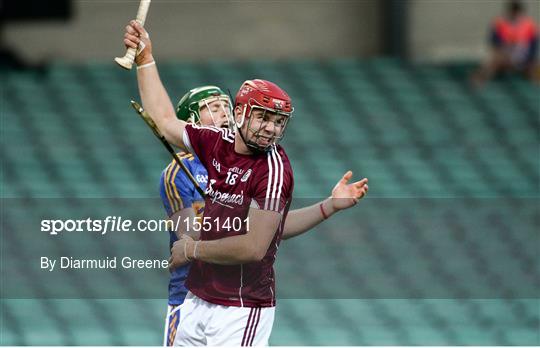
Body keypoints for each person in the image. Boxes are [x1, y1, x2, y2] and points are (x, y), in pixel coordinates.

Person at [123, 20, 369, 345]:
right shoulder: (214, 142)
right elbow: (166, 120)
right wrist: (146, 59)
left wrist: (193, 248)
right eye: (263, 117)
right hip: (196, 297)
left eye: (279, 122)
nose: (271, 129)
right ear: (240, 114)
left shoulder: (274, 170)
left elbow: (254, 247)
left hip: (241, 307)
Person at [160, 86, 368, 346]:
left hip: (237, 297)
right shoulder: (178, 173)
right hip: (189, 293)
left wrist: (329, 206)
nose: (223, 113)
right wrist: (222, 208)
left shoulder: (257, 165)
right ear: (190, 120)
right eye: (213, 108)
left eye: (226, 105)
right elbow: (189, 236)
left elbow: (266, 233)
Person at [472, 0, 539, 85]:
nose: (515, 14)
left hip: (524, 55)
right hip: (505, 54)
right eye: (513, 11)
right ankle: (477, 82)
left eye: (516, 12)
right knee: (492, 62)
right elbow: (494, 41)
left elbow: (534, 46)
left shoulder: (530, 25)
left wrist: (529, 58)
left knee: (535, 68)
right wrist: (504, 51)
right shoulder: (500, 23)